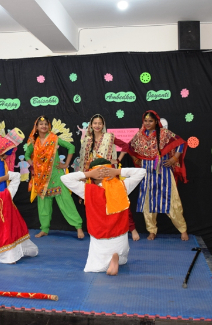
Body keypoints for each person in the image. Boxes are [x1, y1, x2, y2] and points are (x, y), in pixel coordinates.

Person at [61, 158, 145, 275]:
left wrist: (88, 174)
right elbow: (141, 172)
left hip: (100, 238)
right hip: (120, 237)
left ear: (93, 177)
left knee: (96, 266)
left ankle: (111, 259)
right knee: (122, 257)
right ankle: (117, 257)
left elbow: (64, 178)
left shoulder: (86, 190)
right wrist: (117, 172)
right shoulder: (123, 186)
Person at [118, 110, 189, 241]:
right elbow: (130, 147)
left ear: (156, 121)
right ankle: (152, 231)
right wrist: (136, 159)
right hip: (147, 175)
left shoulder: (164, 133)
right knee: (148, 204)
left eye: (150, 121)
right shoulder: (140, 135)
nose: (147, 123)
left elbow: (180, 143)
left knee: (172, 202)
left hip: (164, 173)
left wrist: (174, 159)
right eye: (145, 121)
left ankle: (182, 229)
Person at [78, 114, 140, 241]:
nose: (97, 125)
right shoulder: (87, 140)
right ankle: (101, 229)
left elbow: (126, 146)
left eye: (99, 123)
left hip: (108, 173)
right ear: (91, 125)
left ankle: (132, 229)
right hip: (93, 175)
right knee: (96, 204)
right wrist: (84, 178)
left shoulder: (109, 137)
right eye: (95, 123)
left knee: (119, 199)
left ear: (103, 125)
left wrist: (117, 160)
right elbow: (83, 160)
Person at [25, 116, 84, 239]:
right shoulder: (34, 141)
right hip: (41, 178)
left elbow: (71, 147)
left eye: (46, 124)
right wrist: (34, 166)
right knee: (43, 205)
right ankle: (44, 229)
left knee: (66, 202)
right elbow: (27, 155)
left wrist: (66, 164)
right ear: (36, 127)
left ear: (49, 126)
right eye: (41, 124)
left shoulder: (54, 138)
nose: (43, 126)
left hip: (56, 175)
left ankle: (78, 227)